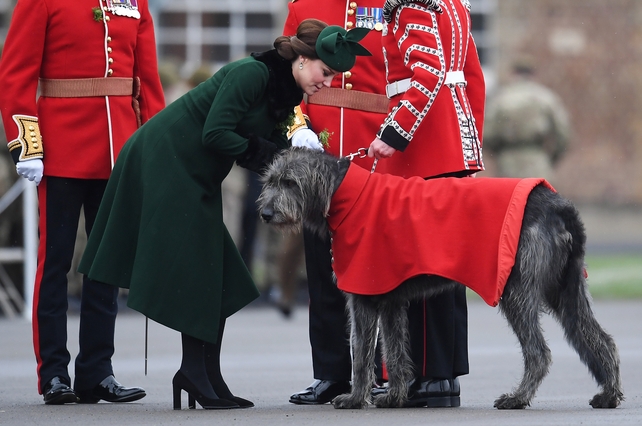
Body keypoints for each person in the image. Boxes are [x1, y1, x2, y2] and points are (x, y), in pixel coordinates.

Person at [78, 19, 371, 410]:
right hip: (166, 160)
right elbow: (215, 133)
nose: (328, 82)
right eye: (326, 71)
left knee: (217, 270)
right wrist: (278, 158)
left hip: (196, 173)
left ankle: (206, 374)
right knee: (200, 267)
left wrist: (296, 147)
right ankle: (194, 373)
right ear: (302, 59)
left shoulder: (285, 93)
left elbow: (258, 136)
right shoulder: (252, 73)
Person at [284, 0, 474, 408]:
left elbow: (457, 74)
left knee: (390, 268)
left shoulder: (400, 6)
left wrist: (460, 147)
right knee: (323, 267)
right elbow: (288, 78)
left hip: (384, 147)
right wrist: (297, 127)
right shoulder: (305, 7)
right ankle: (334, 373)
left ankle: (389, 374)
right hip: (320, 146)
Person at [0, 0, 165, 405]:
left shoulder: (133, 3)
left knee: (105, 263)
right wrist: (28, 144)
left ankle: (96, 371)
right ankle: (54, 372)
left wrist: (156, 144)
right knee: (55, 261)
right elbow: (16, 72)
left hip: (118, 149)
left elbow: (146, 80)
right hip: (61, 146)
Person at [367, 0, 486, 407]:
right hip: (449, 145)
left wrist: (394, 133)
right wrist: (468, 148)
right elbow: (473, 79)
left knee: (416, 267)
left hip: (420, 150)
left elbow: (428, 72)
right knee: (445, 270)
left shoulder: (411, 7)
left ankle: (423, 375)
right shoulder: (453, 6)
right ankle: (443, 375)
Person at [483, 58, 571, 181]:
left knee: (510, 197)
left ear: (513, 73)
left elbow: (487, 133)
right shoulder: (546, 97)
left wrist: (499, 153)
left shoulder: (500, 98)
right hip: (537, 159)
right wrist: (551, 158)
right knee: (539, 198)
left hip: (508, 161)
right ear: (533, 74)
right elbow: (562, 132)